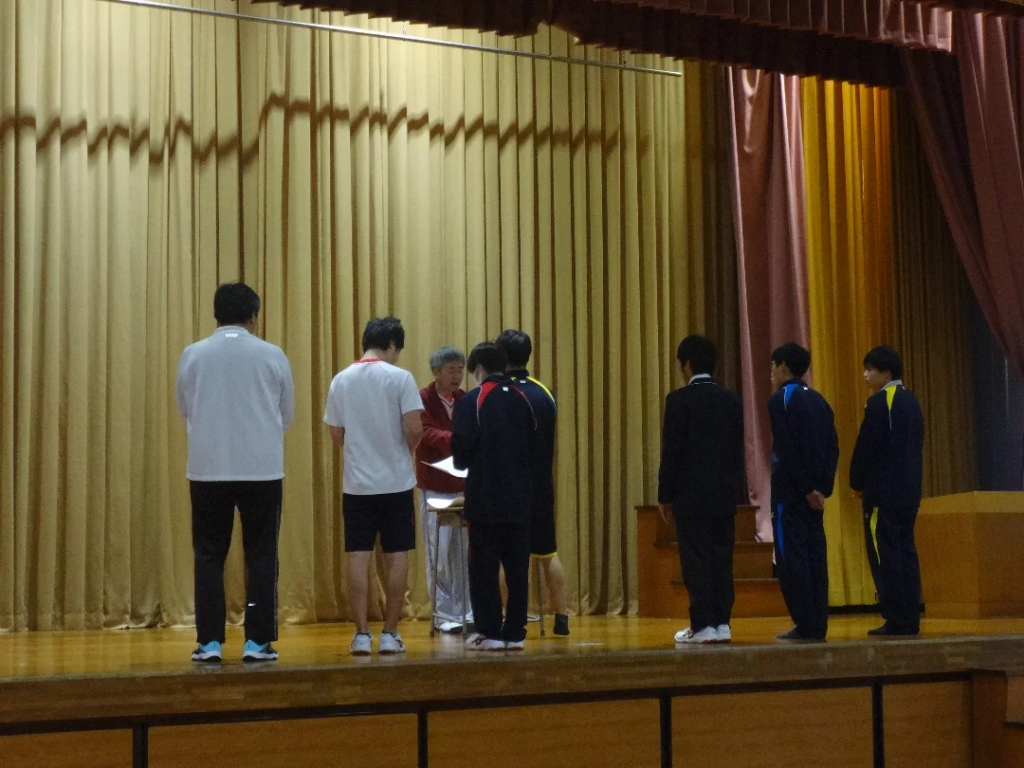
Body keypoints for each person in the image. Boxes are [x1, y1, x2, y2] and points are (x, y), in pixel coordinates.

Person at [175, 282, 294, 664]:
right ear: (253, 316)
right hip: (262, 470)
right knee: (261, 555)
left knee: (209, 555)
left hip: (208, 469)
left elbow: (184, 407)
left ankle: (209, 641)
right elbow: (286, 415)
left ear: (216, 315)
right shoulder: (273, 355)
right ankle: (257, 642)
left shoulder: (193, 354)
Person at [324, 317, 424, 656]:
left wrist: (358, 453)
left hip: (357, 486)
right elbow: (415, 429)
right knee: (397, 556)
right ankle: (391, 633)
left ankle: (361, 635)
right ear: (392, 344)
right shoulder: (401, 378)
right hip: (396, 484)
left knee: (358, 557)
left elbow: (336, 433)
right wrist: (402, 453)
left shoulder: (341, 379)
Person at [657, 335, 745, 645]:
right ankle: (722, 623)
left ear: (687, 364)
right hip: (724, 494)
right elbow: (737, 451)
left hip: (690, 496)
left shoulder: (678, 400)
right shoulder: (731, 400)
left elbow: (672, 452)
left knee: (696, 560)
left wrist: (664, 495)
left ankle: (702, 624)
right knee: (722, 559)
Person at [452, 342, 536, 651]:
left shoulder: (473, 400)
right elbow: (536, 448)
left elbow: (461, 453)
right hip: (521, 499)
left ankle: (488, 632)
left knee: (484, 568)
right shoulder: (524, 398)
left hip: (485, 499)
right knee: (517, 569)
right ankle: (515, 633)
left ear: (478, 369)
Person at [495, 329, 570, 637]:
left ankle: (509, 618)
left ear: (501, 356)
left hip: (509, 487)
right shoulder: (545, 392)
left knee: (507, 556)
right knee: (547, 553)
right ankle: (562, 618)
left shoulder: (499, 393)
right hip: (541, 486)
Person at [850, 345, 925, 637]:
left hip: (883, 494)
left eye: (870, 369)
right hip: (909, 492)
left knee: (885, 555)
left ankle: (895, 618)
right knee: (906, 553)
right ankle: (910, 617)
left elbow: (867, 447)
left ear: (886, 372)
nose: (865, 375)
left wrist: (857, 481)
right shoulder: (911, 401)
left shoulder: (881, 402)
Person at [768, 342, 840, 643]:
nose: (771, 373)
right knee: (815, 557)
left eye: (773, 366)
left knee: (791, 559)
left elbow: (786, 450)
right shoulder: (820, 400)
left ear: (784, 366)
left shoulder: (780, 400)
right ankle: (818, 624)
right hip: (814, 498)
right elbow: (833, 446)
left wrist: (806, 488)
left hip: (790, 495)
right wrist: (822, 488)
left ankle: (804, 623)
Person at [416, 346, 472, 634]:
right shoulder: (422, 399)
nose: (457, 376)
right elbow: (426, 434)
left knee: (464, 554)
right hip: (435, 486)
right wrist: (460, 440)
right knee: (437, 556)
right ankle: (443, 614)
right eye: (451, 370)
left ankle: (466, 612)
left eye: (460, 370)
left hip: (463, 486)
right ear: (436, 372)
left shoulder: (465, 399)